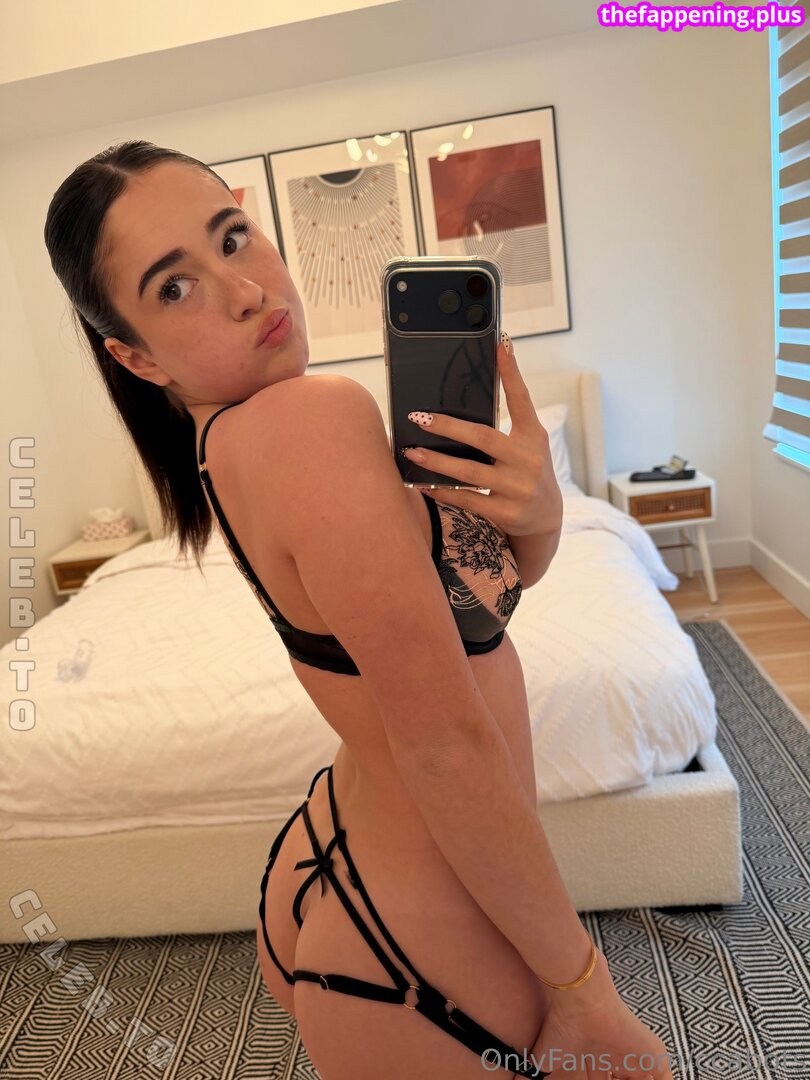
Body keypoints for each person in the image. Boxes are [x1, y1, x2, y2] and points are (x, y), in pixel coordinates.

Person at [44, 140, 673, 1080]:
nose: (245, 290)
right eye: (175, 287)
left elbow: (472, 613)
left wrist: (539, 519)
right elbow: (446, 740)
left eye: (233, 237)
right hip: (422, 945)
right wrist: (586, 989)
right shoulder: (312, 420)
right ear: (133, 354)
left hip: (348, 856)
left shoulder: (228, 440)